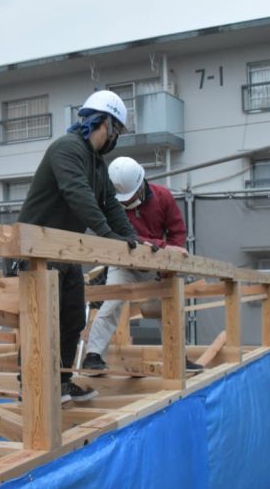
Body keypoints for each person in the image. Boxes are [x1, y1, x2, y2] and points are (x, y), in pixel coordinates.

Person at [16, 89, 140, 404]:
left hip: (66, 253)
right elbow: (77, 193)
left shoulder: (97, 164)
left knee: (72, 319)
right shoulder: (66, 149)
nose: (115, 138)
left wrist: (129, 240)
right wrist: (105, 234)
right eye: (117, 130)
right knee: (41, 320)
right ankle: (30, 387)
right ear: (106, 124)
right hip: (37, 253)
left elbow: (110, 204)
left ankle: (61, 383)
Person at [82, 156, 203, 374]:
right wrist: (160, 244)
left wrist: (170, 264)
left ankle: (179, 357)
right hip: (124, 263)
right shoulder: (111, 203)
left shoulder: (162, 196)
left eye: (127, 198)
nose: (125, 203)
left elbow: (177, 232)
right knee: (111, 305)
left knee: (169, 309)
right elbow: (120, 236)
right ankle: (93, 356)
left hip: (157, 266)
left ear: (140, 185)